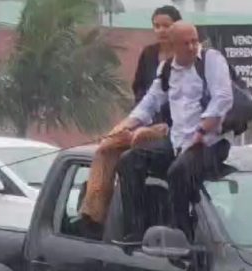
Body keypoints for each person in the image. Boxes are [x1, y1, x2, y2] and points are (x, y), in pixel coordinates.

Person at [119, 21, 234, 241]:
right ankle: (135, 230)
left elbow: (223, 98)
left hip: (209, 143)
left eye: (194, 41)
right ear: (172, 47)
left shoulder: (211, 60)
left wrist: (201, 131)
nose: (192, 47)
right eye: (185, 43)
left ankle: (181, 235)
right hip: (177, 142)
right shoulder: (166, 69)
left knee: (177, 173)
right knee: (129, 161)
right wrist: (127, 124)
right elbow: (151, 101)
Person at [77, 6, 182, 241]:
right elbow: (144, 97)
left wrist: (157, 126)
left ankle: (135, 226)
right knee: (107, 146)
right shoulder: (149, 55)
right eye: (157, 26)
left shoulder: (187, 58)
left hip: (170, 131)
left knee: (136, 147)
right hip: (144, 124)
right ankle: (93, 214)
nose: (162, 31)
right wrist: (125, 126)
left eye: (167, 25)